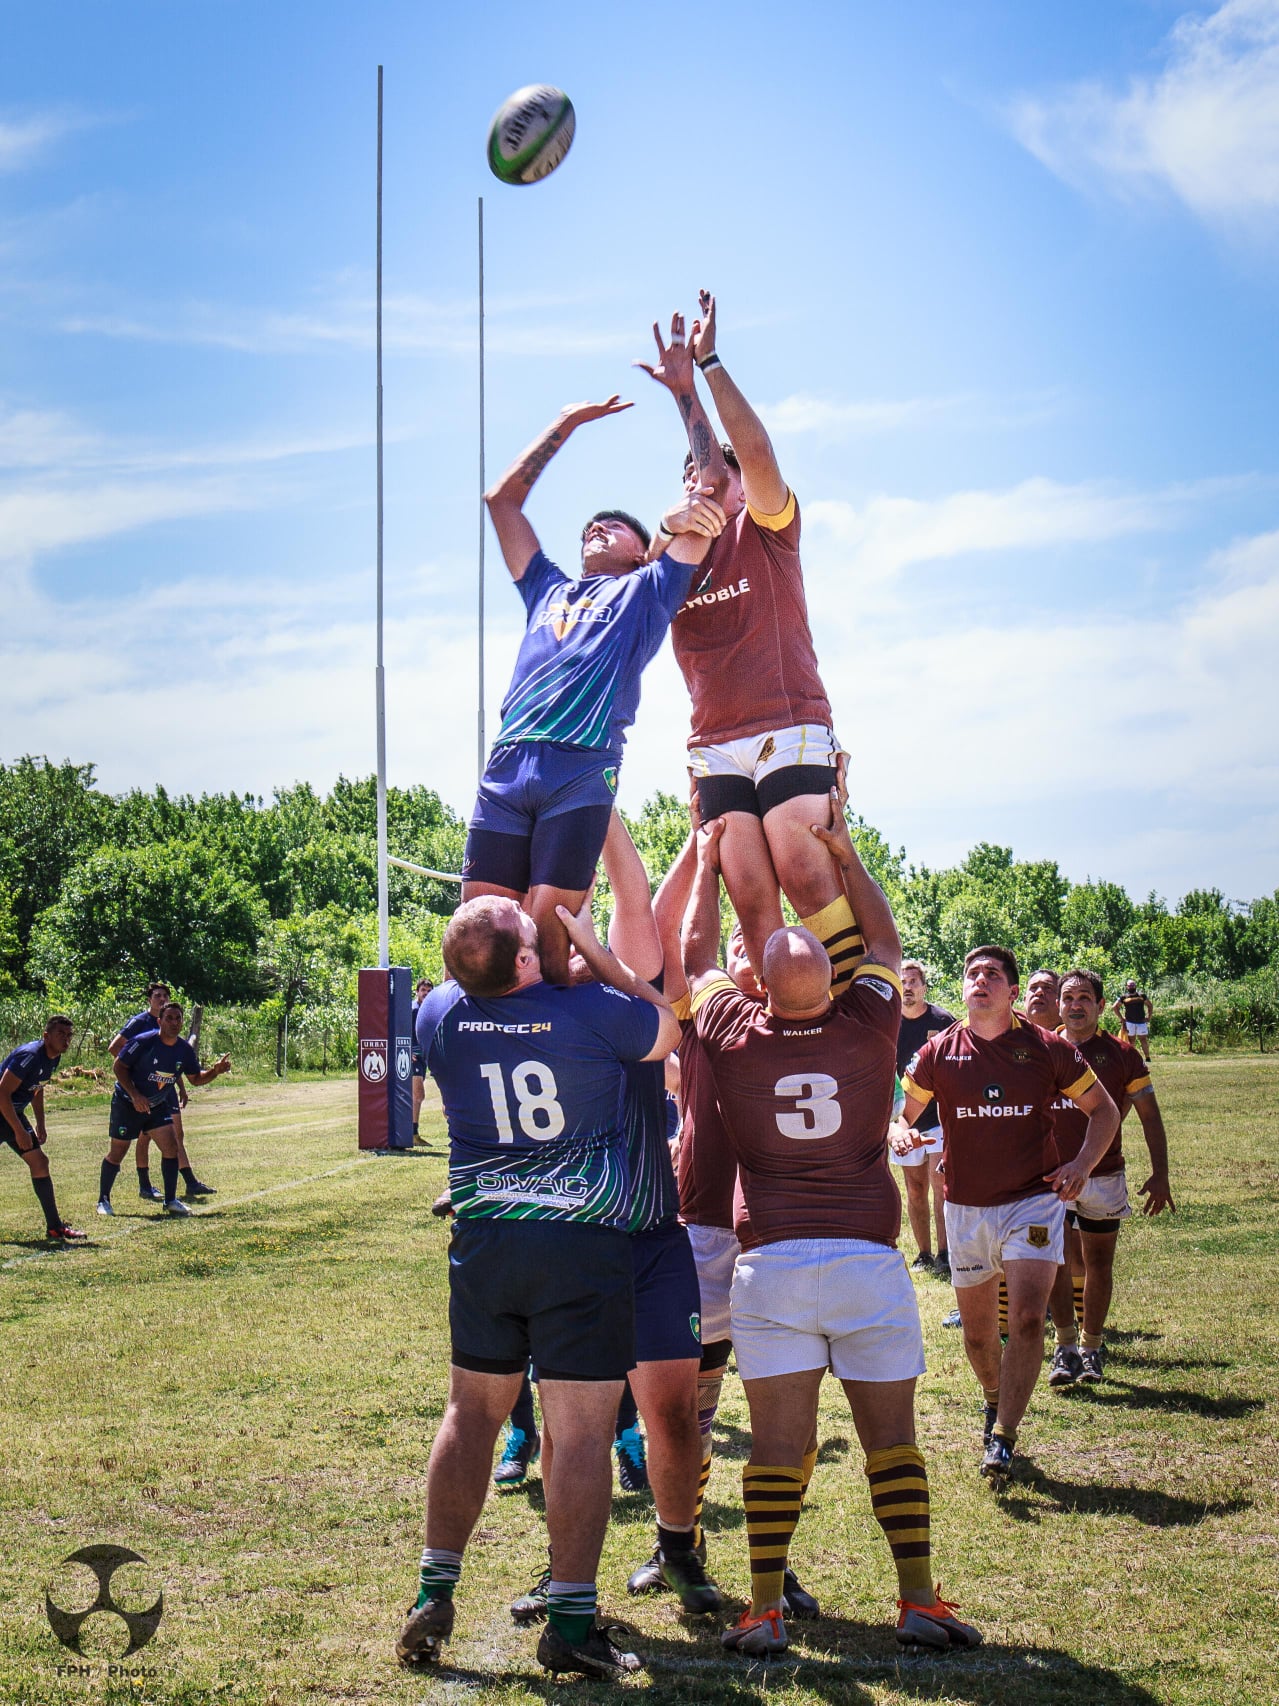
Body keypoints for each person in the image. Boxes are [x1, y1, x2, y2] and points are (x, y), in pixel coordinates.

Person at [683, 803, 981, 1657]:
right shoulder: (867, 1024)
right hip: (864, 1262)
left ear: (761, 988)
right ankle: (916, 1599)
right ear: (829, 979)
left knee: (776, 1448)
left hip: (771, 1264)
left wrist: (705, 866)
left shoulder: (734, 1031)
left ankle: (765, 1609)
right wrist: (844, 857)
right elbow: (883, 944)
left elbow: (697, 957)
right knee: (893, 1441)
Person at [399, 894, 680, 1680]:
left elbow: (474, 961)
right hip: (580, 1244)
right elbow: (668, 1026)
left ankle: (433, 1589)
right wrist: (598, 953)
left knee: (470, 1413)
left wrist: (507, 935)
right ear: (528, 959)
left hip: (485, 1241)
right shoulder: (591, 1010)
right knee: (582, 1433)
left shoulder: (439, 1015)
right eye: (533, 933)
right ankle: (570, 1622)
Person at [508, 811, 720, 1623]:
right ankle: (565, 1573)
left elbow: (635, 895)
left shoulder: (618, 988)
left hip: (650, 1240)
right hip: (568, 1247)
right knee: (570, 1430)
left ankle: (678, 1549)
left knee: (670, 1412)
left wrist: (598, 808)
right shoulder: (521, 996)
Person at [638, 297, 863, 995]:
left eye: (713, 478)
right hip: (714, 744)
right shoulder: (670, 564)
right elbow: (622, 594)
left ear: (738, 489)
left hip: (787, 724)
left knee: (805, 871)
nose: (699, 485)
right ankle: (777, 1023)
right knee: (751, 900)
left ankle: (854, 1011)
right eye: (687, 480)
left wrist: (699, 373)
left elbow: (751, 454)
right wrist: (662, 529)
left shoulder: (764, 528)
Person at [464, 395, 725, 986]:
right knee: (481, 934)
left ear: (642, 552)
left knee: (547, 943)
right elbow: (500, 502)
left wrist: (686, 386)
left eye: (615, 525)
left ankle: (565, 1032)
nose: (596, 527)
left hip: (580, 769)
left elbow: (711, 483)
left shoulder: (648, 592)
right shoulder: (546, 588)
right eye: (590, 525)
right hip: (508, 765)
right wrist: (566, 422)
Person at [898, 946, 1120, 1487]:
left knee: (1024, 1319)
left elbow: (1105, 1111)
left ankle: (1004, 1435)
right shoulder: (939, 1051)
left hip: (1032, 1200)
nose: (980, 981)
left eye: (992, 974)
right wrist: (899, 1132)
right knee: (978, 1338)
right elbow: (902, 1114)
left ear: (1012, 991)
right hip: (966, 1207)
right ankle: (993, 1399)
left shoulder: (1045, 1048)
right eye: (972, 973)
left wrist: (1082, 1165)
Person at [1045, 968, 1175, 1386]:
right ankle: (1064, 1347)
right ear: (1058, 1005)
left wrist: (1160, 1174)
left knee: (1099, 1263)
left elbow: (1150, 1116)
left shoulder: (1122, 1054)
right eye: (1068, 998)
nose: (1075, 1006)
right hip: (1050, 1179)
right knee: (1055, 1260)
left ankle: (1091, 1347)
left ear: (1102, 1006)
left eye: (1085, 998)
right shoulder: (1041, 1048)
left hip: (1103, 1176)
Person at [99, 1003, 231, 1218]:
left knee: (171, 1147)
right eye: (169, 1018)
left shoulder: (184, 1050)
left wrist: (214, 1071)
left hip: (156, 1105)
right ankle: (103, 1200)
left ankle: (170, 1200)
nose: (174, 1023)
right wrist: (135, 1095)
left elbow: (196, 1079)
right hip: (127, 1103)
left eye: (178, 1018)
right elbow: (118, 1066)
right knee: (118, 1152)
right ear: (159, 1021)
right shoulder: (143, 1041)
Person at [108, 984, 214, 1201]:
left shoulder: (172, 1025)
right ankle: (145, 1184)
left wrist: (180, 1086)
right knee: (144, 1137)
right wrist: (136, 1072)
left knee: (176, 1133)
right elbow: (115, 1048)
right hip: (143, 1089)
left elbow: (175, 1062)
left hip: (165, 1086)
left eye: (165, 995)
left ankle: (189, 1182)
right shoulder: (140, 1022)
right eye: (157, 995)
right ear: (149, 999)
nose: (162, 999)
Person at [0, 1016, 86, 1243]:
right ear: (46, 1036)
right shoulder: (29, 1056)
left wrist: (40, 1122)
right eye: (61, 1034)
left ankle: (55, 1228)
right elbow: (2, 1093)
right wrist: (19, 1130)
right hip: (4, 1111)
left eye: (69, 1035)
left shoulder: (53, 1057)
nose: (66, 1040)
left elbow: (37, 1089)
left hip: (11, 1114)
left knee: (39, 1162)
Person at [893, 962, 955, 1277]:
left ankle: (945, 1254)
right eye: (902, 981)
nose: (907, 987)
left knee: (940, 1185)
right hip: (905, 1119)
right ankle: (923, 1254)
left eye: (913, 981)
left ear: (924, 987)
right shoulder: (888, 1021)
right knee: (915, 1189)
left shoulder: (942, 1021)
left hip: (939, 1117)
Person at [410, 976, 433, 1143]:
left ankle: (413, 1133)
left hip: (423, 1058)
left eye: (429, 991)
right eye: (423, 990)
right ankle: (412, 1133)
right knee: (418, 1095)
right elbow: (400, 1030)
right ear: (417, 992)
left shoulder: (430, 1009)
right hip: (413, 1058)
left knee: (416, 1096)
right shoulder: (413, 1010)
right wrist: (405, 1050)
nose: (426, 993)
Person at [1112, 979, 1154, 1061]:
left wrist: (1149, 1017)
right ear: (1127, 987)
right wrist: (1121, 1018)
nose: (1131, 987)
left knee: (1143, 1040)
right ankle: (1133, 1058)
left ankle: (1147, 1057)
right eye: (1130, 985)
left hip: (1141, 1022)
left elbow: (1150, 1005)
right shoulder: (1124, 997)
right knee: (1132, 1041)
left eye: (1133, 985)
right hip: (1129, 1022)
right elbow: (1115, 1007)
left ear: (1135, 986)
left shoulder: (1142, 996)